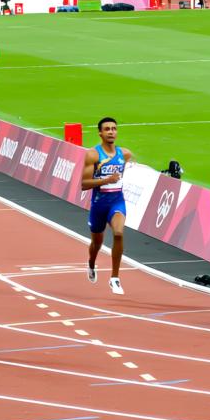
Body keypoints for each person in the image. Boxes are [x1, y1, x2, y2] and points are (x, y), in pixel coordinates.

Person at [81, 116, 132, 293]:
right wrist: (106, 180)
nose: (111, 131)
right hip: (98, 205)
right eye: (107, 129)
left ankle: (115, 278)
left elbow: (120, 177)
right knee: (97, 244)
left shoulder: (125, 154)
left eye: (114, 128)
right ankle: (91, 263)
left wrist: (113, 182)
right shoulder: (93, 154)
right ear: (100, 133)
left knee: (118, 233)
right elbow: (84, 184)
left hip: (117, 201)